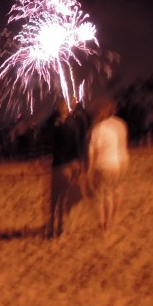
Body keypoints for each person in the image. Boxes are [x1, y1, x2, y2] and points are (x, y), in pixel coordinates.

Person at [86, 95, 129, 234]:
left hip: (104, 164)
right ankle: (113, 218)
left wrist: (89, 170)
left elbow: (93, 152)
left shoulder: (98, 129)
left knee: (100, 195)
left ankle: (102, 223)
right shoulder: (120, 124)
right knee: (114, 190)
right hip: (119, 160)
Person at [46, 97, 86, 238]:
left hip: (58, 166)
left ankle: (51, 227)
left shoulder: (55, 125)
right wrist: (79, 164)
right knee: (63, 199)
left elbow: (49, 144)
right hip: (71, 165)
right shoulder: (74, 125)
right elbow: (78, 146)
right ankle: (60, 229)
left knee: (54, 199)